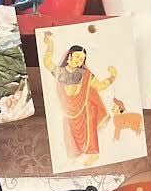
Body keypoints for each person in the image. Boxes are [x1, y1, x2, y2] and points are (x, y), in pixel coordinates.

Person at [42, 32, 116, 165]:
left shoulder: (85, 74)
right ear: (69, 56)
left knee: (90, 116)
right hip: (69, 109)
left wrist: (112, 77)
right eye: (77, 56)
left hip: (85, 108)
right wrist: (50, 45)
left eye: (82, 59)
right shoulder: (60, 72)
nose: (79, 60)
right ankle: (74, 156)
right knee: (68, 131)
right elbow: (47, 62)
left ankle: (93, 153)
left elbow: (99, 86)